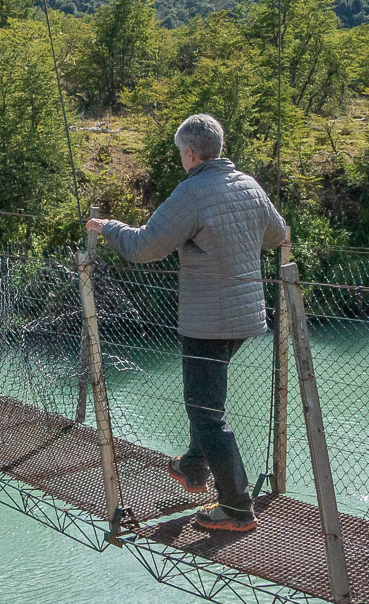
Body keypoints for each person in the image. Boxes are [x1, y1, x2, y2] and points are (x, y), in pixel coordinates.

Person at [88, 113, 289, 533]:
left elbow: (144, 246)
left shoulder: (192, 192)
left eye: (181, 153)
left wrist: (109, 228)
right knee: (206, 403)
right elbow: (278, 234)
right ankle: (194, 468)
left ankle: (237, 508)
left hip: (207, 323)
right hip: (245, 318)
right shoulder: (249, 185)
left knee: (205, 414)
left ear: (191, 153)